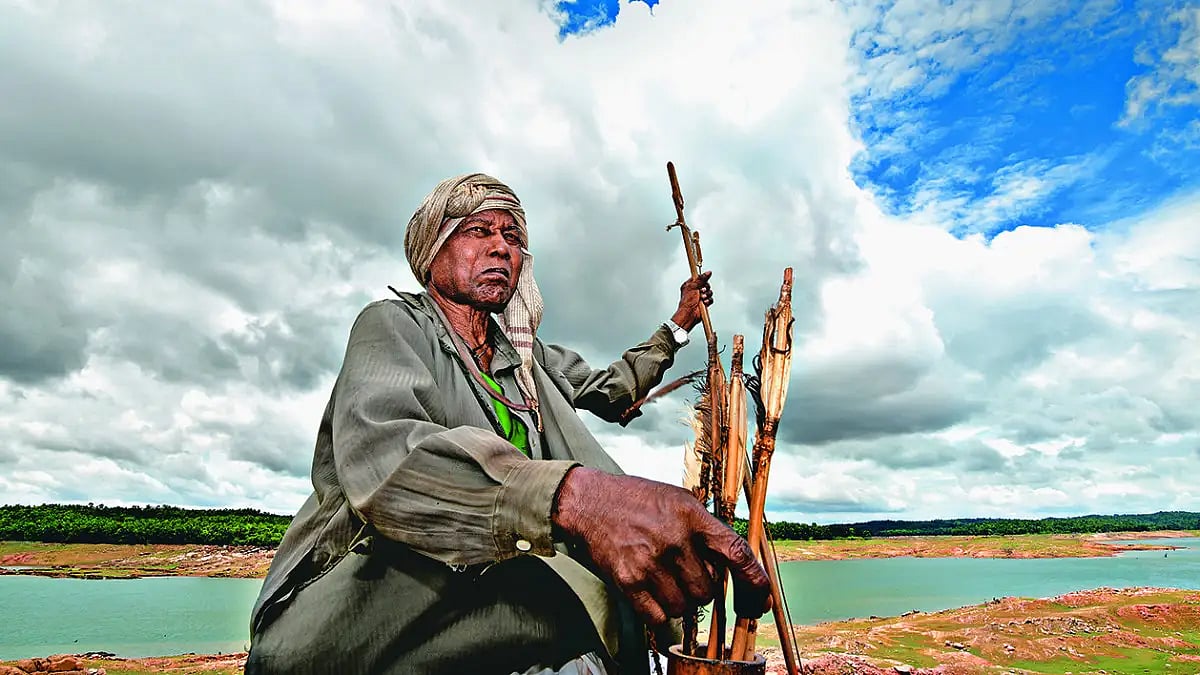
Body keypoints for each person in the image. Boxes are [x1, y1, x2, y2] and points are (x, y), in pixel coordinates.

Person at [245, 174, 770, 675]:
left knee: (611, 613)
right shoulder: (392, 326)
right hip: (369, 609)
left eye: (512, 236)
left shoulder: (528, 361)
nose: (501, 248)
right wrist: (576, 500)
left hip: (500, 594)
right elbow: (387, 460)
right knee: (576, 602)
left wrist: (679, 324)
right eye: (479, 231)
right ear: (434, 252)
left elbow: (612, 389)